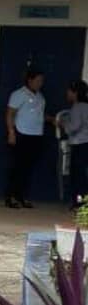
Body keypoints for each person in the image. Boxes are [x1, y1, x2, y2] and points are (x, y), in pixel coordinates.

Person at [5, 67, 55, 209]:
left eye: (42, 81)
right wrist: (11, 132)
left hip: (36, 135)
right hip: (21, 134)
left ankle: (21, 196)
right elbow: (10, 113)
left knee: (28, 168)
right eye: (38, 80)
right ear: (30, 80)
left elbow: (39, 115)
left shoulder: (40, 97)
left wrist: (52, 119)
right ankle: (10, 197)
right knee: (16, 167)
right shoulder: (19, 94)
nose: (40, 83)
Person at [61, 79, 88, 210]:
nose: (67, 93)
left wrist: (62, 123)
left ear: (75, 93)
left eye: (69, 91)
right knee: (82, 175)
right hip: (85, 144)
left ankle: (80, 204)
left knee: (77, 177)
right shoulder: (86, 106)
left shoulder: (78, 107)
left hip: (80, 144)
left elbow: (74, 127)